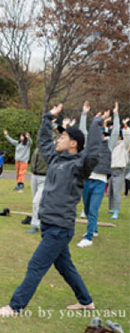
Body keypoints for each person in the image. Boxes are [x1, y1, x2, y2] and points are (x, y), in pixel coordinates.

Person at [0, 103, 103, 318]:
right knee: (65, 267)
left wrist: (97, 123)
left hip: (60, 227)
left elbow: (94, 152)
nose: (58, 139)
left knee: (36, 265)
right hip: (49, 223)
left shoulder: (79, 165)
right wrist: (47, 118)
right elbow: (44, 141)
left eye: (62, 138)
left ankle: (15, 307)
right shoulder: (55, 159)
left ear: (73, 144)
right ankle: (86, 301)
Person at [77, 102, 113, 247]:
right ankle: (94, 229)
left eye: (104, 134)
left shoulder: (108, 146)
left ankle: (89, 237)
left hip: (100, 182)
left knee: (93, 210)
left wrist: (110, 118)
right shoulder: (89, 145)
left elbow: (115, 130)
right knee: (86, 209)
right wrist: (84, 114)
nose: (101, 136)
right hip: (87, 180)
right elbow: (82, 131)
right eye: (100, 133)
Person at [107, 103, 130, 220]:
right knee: (111, 191)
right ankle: (111, 208)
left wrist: (125, 126)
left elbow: (127, 137)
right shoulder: (112, 145)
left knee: (116, 192)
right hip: (111, 170)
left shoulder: (124, 145)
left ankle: (116, 210)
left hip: (120, 170)